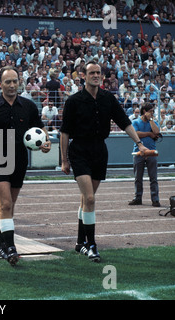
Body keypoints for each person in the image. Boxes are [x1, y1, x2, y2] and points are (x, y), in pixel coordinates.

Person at [60, 61, 148, 263]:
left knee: (86, 199)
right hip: (79, 150)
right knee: (89, 198)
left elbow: (124, 122)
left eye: (98, 72)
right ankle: (91, 245)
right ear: (83, 76)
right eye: (92, 72)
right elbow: (64, 132)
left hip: (100, 150)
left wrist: (139, 144)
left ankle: (79, 242)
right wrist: (64, 160)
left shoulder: (108, 98)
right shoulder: (74, 101)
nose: (96, 75)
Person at [0, 66, 51, 265]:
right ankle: (11, 247)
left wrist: (46, 142)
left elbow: (40, 128)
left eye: (15, 81)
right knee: (5, 204)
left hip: (20, 159)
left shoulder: (28, 105)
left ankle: (1, 245)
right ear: (0, 84)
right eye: (8, 82)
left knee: (10, 207)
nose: (12, 85)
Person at [129, 103, 161, 207]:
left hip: (152, 152)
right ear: (144, 111)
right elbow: (135, 133)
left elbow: (156, 132)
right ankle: (137, 198)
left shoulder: (154, 122)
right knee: (138, 178)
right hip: (138, 152)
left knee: (153, 178)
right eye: (150, 111)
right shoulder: (136, 122)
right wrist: (148, 134)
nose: (152, 113)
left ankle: (155, 199)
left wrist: (151, 120)